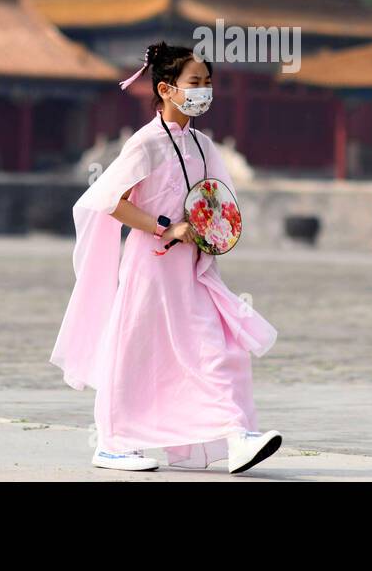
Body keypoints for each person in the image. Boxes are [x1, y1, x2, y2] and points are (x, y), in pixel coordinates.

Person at [49, 41, 282, 474]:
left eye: (208, 82)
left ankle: (237, 435)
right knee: (139, 349)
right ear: (166, 88)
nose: (204, 90)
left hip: (193, 268)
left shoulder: (203, 144)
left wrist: (213, 231)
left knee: (216, 348)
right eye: (195, 82)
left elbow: (217, 200)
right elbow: (108, 199)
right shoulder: (146, 143)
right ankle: (113, 443)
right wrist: (164, 226)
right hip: (150, 264)